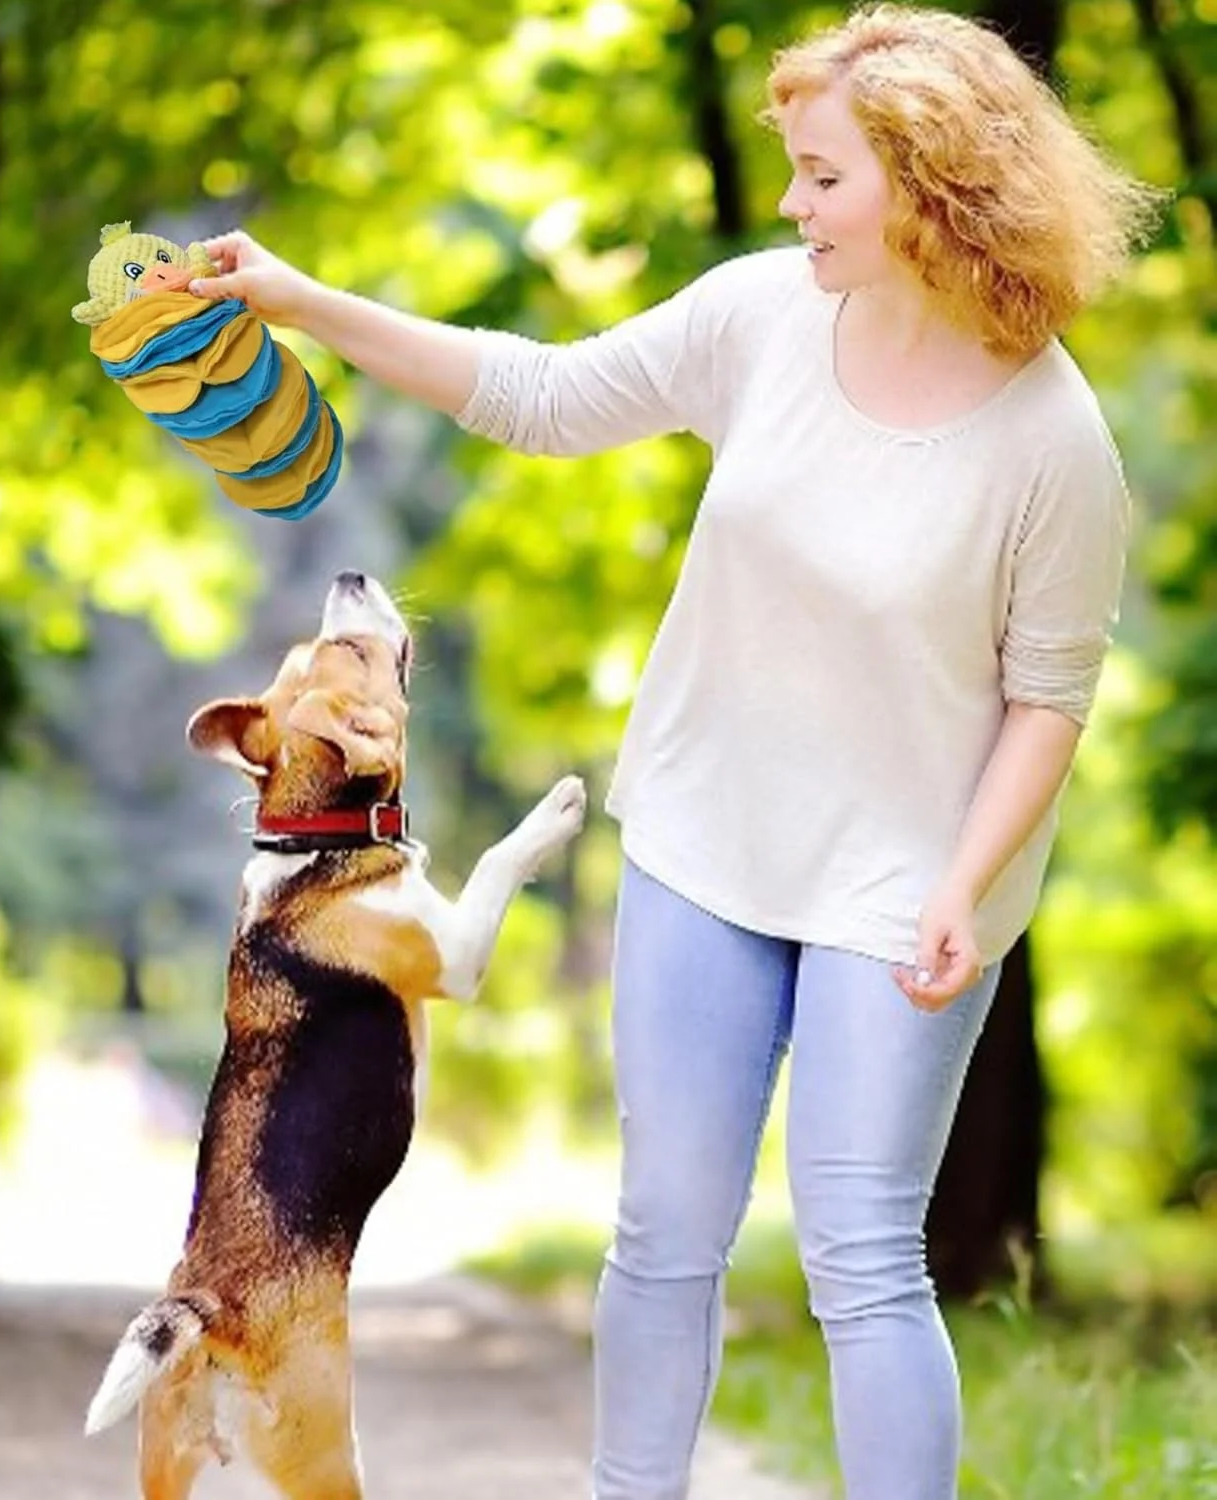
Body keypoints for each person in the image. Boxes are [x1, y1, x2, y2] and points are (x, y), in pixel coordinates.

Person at [189, 6, 1163, 1496]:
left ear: (930, 181)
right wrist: (300, 301)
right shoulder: (764, 318)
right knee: (665, 1231)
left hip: (908, 880)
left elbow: (1049, 698)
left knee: (861, 1256)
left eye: (823, 177)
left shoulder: (1051, 438)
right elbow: (540, 394)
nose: (793, 205)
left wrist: (968, 882)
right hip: (708, 839)